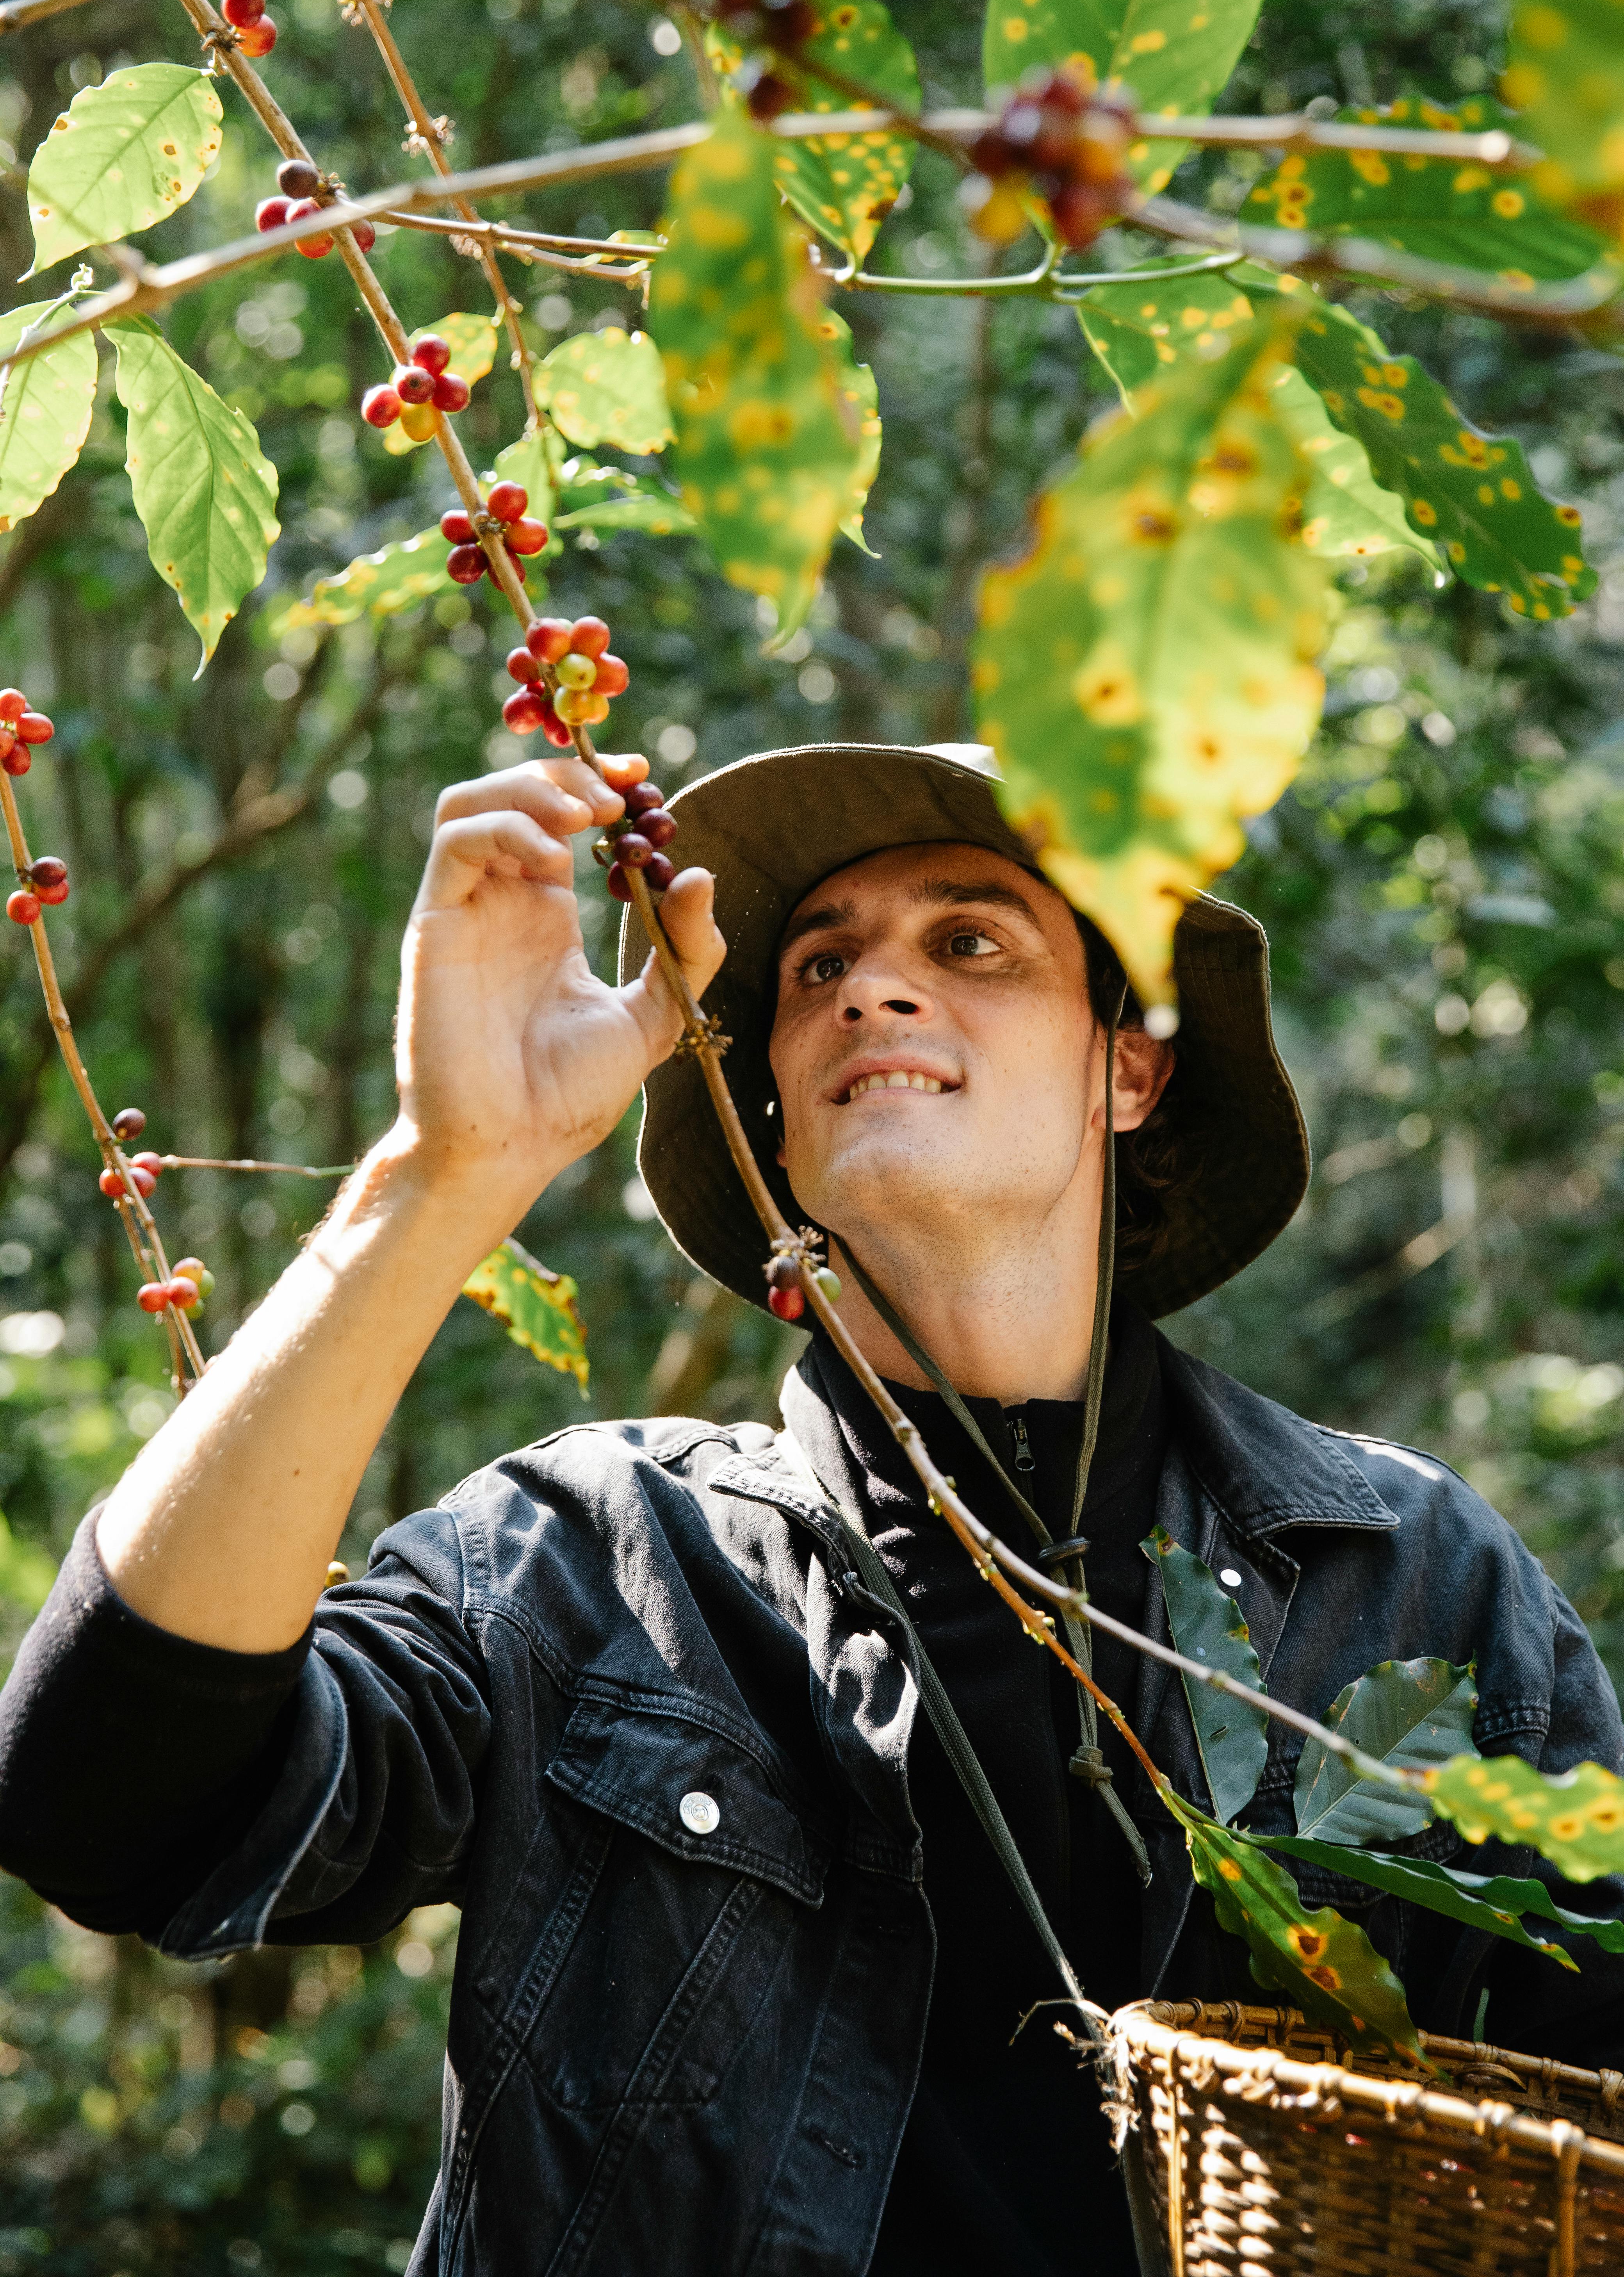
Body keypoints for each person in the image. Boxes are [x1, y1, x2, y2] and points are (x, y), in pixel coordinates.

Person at [0, 739, 1619, 2277]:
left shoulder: (1409, 1583)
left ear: (1125, 1069)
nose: (871, 985)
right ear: (770, 1094)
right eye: (815, 967)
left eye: (973, 942)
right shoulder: (584, 1560)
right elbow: (116, 1816)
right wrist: (445, 1174)